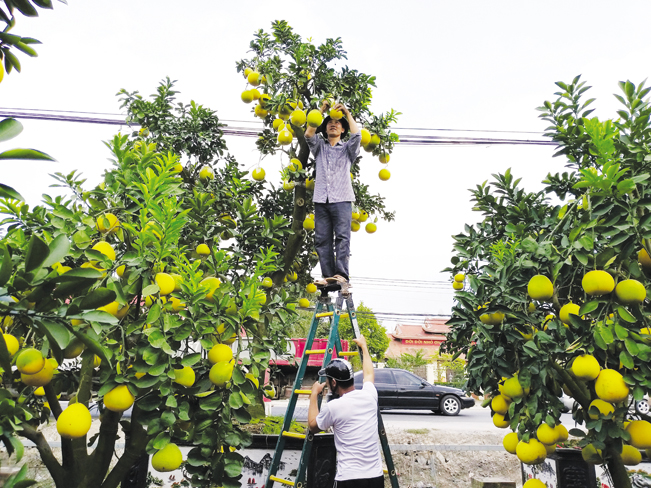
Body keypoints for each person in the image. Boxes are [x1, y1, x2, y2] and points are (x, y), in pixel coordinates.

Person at [307, 336, 383, 488]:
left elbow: (313, 426)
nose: (327, 383)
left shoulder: (334, 407)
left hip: (349, 478)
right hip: (375, 477)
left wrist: (314, 395)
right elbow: (369, 374)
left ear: (334, 382)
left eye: (328, 380)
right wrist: (364, 347)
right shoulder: (369, 396)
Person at [304, 100, 360, 287]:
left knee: (342, 237)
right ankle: (329, 277)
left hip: (342, 198)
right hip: (321, 199)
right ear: (325, 128)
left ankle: (341, 275)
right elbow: (308, 133)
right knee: (322, 240)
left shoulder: (347, 149)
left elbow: (357, 135)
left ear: (342, 129)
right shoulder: (319, 147)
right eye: (329, 123)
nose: (333, 124)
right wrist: (321, 111)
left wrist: (346, 113)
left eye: (337, 123)